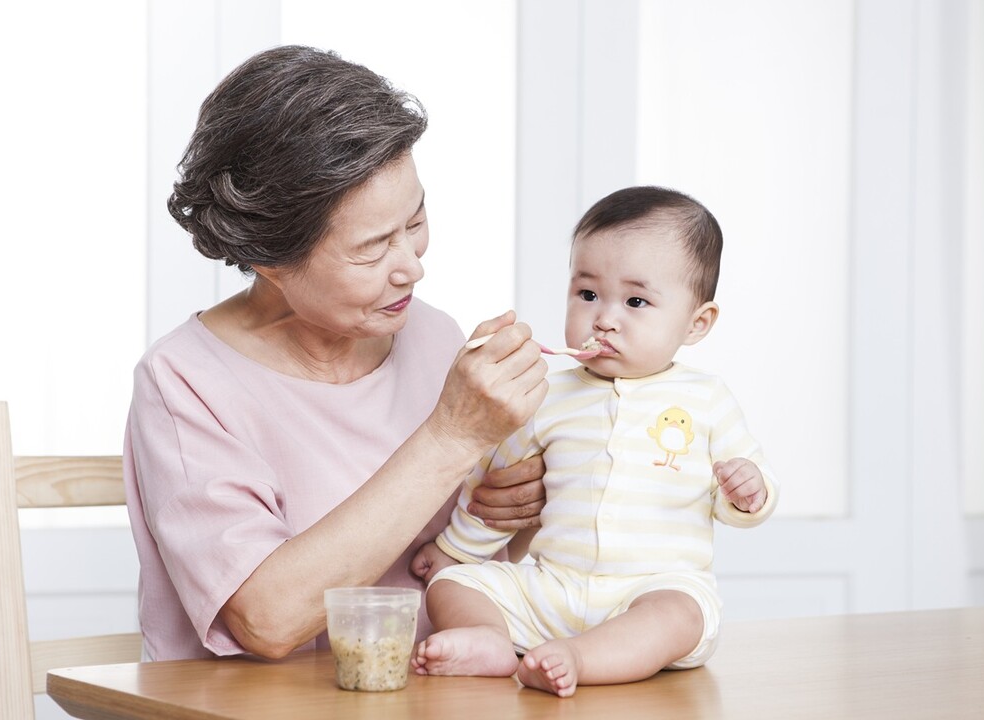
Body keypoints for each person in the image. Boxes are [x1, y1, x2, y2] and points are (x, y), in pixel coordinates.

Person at [123, 45, 551, 662]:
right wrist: (452, 438)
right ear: (272, 259)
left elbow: (468, 570)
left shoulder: (434, 337)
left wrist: (515, 511)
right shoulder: (185, 380)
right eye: (373, 248)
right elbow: (267, 619)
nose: (412, 267)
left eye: (416, 219)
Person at [411, 186, 779, 696]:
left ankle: (579, 657)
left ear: (697, 323)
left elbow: (746, 489)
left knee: (681, 613)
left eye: (635, 301)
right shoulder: (546, 395)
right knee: (452, 587)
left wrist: (749, 491)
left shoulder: (706, 398)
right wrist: (454, 551)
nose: (604, 317)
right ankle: (491, 639)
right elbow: (494, 484)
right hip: (554, 586)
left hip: (648, 589)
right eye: (587, 294)